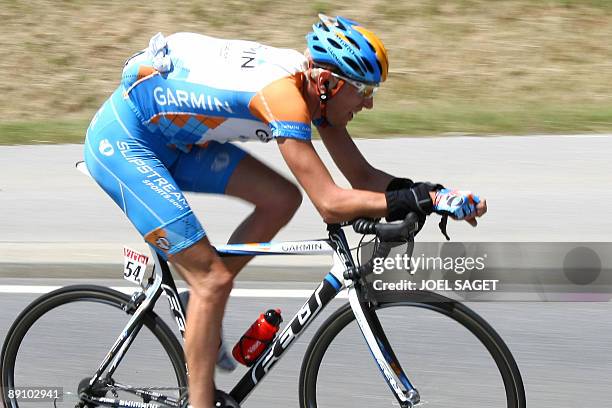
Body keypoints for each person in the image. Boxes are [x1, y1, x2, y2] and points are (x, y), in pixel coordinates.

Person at [83, 14, 487, 407]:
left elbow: (362, 176)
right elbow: (329, 204)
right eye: (364, 90)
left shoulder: (318, 95)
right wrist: (416, 202)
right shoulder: (284, 96)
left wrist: (435, 193)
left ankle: (201, 302)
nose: (368, 104)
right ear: (328, 82)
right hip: (125, 142)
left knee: (281, 199)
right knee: (213, 280)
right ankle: (205, 303)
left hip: (180, 140)